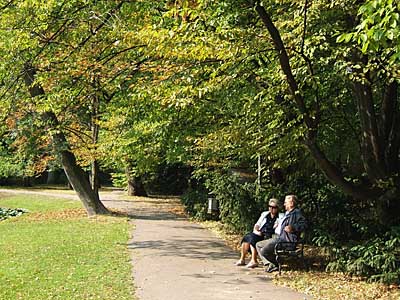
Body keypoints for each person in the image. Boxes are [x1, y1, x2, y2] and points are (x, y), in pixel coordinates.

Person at [255, 194, 306, 273]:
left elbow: (304, 225)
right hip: (279, 238)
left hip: (287, 241)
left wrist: (293, 228)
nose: (284, 204)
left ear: (291, 203)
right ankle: (270, 264)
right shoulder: (287, 213)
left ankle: (275, 264)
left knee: (264, 250)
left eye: (286, 202)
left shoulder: (296, 213)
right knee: (258, 245)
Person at [235, 198, 280, 268]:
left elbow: (279, 229)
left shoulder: (280, 217)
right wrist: (256, 230)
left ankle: (254, 260)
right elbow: (257, 224)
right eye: (270, 206)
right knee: (247, 237)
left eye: (274, 207)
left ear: (277, 208)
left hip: (269, 235)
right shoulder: (265, 214)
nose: (271, 209)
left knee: (252, 239)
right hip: (260, 233)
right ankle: (242, 259)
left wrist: (276, 226)